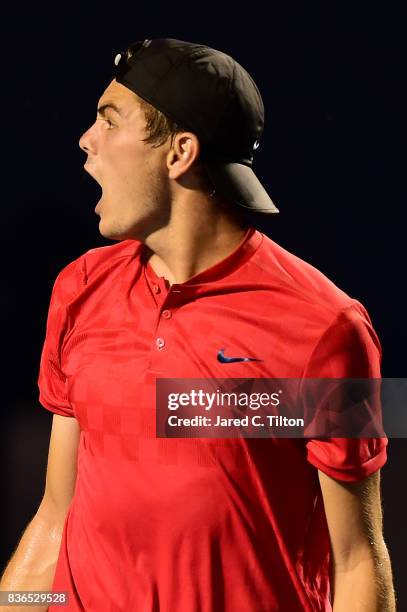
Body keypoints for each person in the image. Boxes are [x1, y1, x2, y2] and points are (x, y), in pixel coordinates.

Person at [0, 38, 395, 611]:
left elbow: (357, 559)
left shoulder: (329, 328)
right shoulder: (80, 288)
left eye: (109, 122)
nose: (86, 142)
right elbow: (57, 516)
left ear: (179, 152)